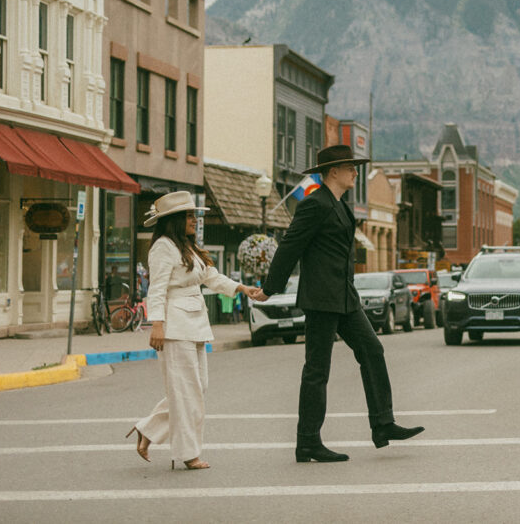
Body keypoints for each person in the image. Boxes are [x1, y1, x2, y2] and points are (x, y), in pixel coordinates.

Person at [259, 144, 423, 463]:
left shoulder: (340, 205)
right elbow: (290, 246)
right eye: (350, 168)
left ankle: (383, 424)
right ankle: (307, 441)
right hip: (321, 299)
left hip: (345, 298)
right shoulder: (314, 204)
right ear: (334, 172)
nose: (355, 172)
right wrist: (270, 288)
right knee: (317, 370)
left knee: (372, 350)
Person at [126, 191, 262, 470]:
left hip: (196, 325)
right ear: (174, 220)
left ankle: (148, 429)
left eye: (193, 215)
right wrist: (158, 325)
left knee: (195, 389)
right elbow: (157, 289)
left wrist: (242, 288)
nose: (194, 220)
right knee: (187, 392)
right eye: (189, 216)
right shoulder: (163, 247)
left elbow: (210, 277)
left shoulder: (186, 247)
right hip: (175, 328)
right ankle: (188, 454)